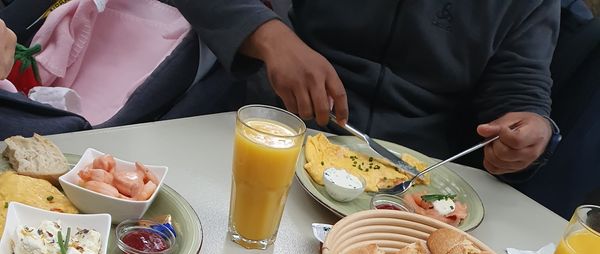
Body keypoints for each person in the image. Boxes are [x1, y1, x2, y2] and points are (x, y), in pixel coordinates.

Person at [172, 0, 561, 176]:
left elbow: (520, 89)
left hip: (415, 175)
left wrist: (531, 132)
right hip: (280, 125)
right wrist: (270, 37)